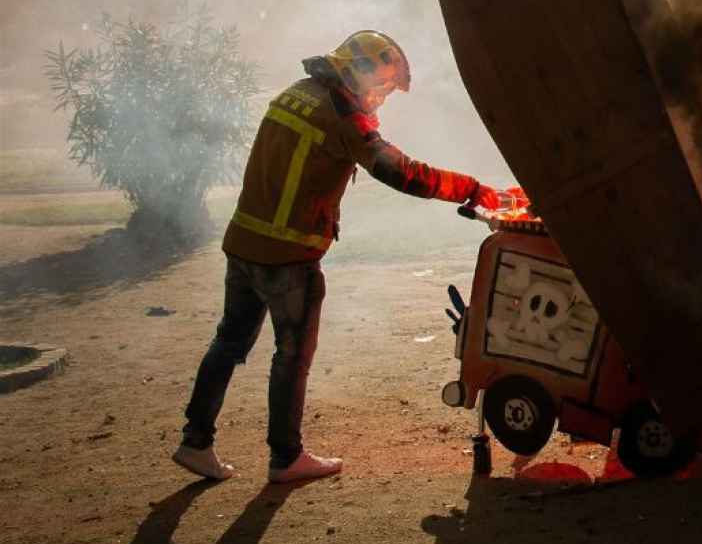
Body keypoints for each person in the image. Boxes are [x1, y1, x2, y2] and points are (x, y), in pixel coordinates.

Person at [175, 31, 511, 483]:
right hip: (289, 255)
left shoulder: (295, 94)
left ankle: (195, 441)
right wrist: (473, 190)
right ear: (360, 71)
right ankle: (285, 457)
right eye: (384, 86)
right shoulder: (341, 114)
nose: (382, 97)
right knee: (291, 356)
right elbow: (400, 172)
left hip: (244, 243)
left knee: (229, 343)